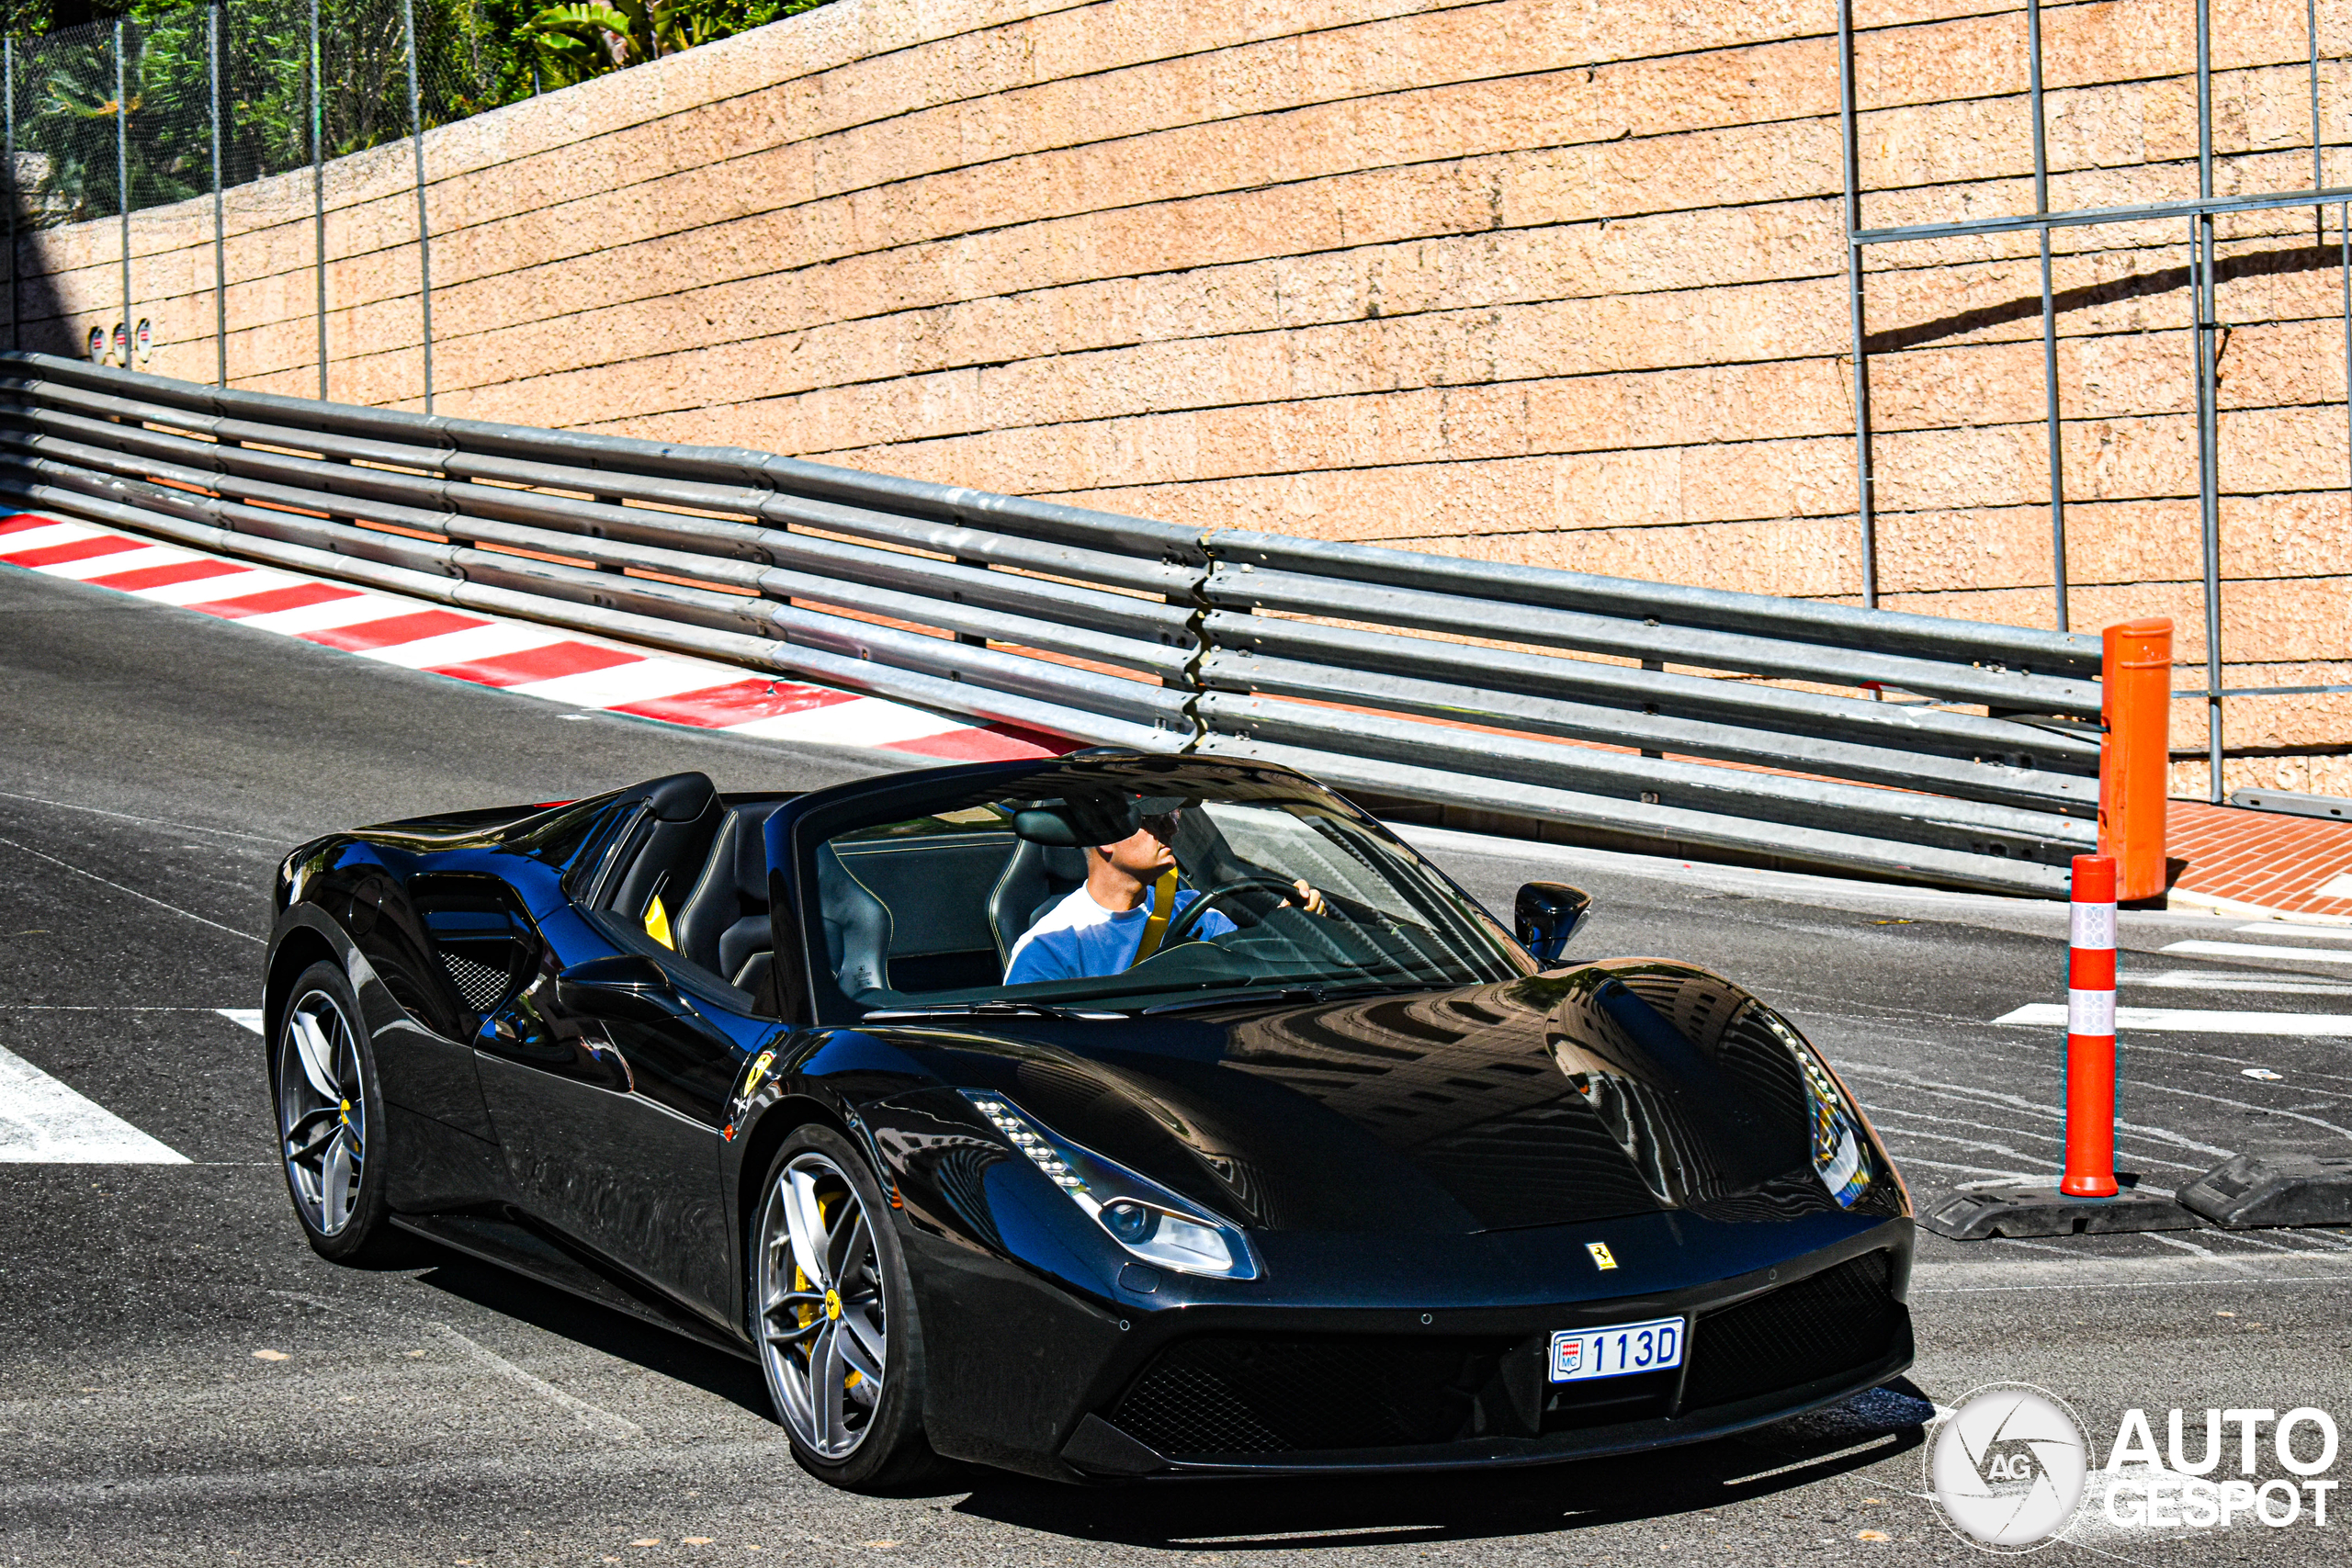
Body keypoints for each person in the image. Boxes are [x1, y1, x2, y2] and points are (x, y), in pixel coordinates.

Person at [1003, 803, 1326, 985]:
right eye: (1153, 821)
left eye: (1171, 817)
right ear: (1106, 837)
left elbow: (1254, 982)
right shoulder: (1049, 949)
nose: (1172, 829)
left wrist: (1290, 931)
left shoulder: (1200, 914)